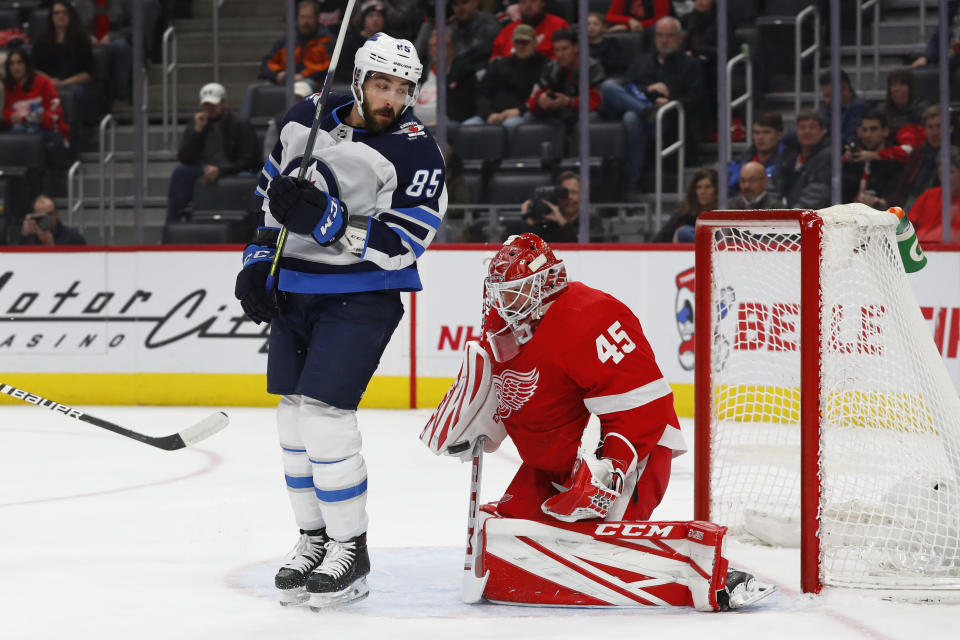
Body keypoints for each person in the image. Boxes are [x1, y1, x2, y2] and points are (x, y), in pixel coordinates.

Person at [421, 233, 775, 611]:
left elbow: (643, 404)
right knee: (508, 536)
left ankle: (711, 577)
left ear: (546, 284)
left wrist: (611, 472)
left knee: (596, 542)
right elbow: (514, 392)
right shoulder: (504, 322)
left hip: (632, 451)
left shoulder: (590, 314)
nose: (503, 301)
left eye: (516, 291)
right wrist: (478, 423)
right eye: (500, 291)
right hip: (556, 461)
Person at [234, 32, 446, 608]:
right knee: (293, 420)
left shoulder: (416, 150)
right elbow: (271, 202)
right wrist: (257, 262)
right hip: (296, 288)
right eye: (382, 85)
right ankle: (313, 538)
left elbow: (406, 243)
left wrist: (329, 221)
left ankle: (351, 551)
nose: (392, 98)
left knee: (326, 417)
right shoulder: (303, 119)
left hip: (363, 294)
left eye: (404, 88)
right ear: (357, 81)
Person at [599, 16, 701, 191]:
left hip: (669, 118)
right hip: (642, 109)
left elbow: (695, 98)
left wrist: (669, 101)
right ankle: (646, 110)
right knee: (608, 87)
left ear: (679, 38)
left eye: (669, 36)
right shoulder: (641, 61)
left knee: (631, 117)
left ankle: (632, 181)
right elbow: (628, 86)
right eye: (660, 35)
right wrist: (647, 90)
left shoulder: (690, 64)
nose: (664, 40)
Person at [167, 83, 260, 222]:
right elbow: (184, 157)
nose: (209, 109)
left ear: (224, 103)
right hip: (203, 168)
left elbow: (249, 160)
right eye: (206, 105)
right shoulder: (197, 124)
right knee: (181, 172)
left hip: (233, 168)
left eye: (214, 104)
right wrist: (197, 132)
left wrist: (221, 170)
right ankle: (172, 222)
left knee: (247, 176)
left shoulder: (240, 123)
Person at [465, 24, 547, 132]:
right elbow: (482, 92)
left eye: (525, 42)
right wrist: (488, 114)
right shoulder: (498, 64)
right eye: (518, 42)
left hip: (523, 115)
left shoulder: (543, 66)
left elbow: (540, 97)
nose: (521, 46)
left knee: (510, 124)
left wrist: (520, 110)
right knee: (468, 127)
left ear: (535, 43)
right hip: (493, 115)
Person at [31, 1, 100, 126]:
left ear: (70, 15)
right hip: (48, 82)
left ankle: (78, 131)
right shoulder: (41, 40)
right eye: (56, 13)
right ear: (51, 17)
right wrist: (50, 81)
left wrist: (63, 83)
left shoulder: (82, 39)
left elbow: (88, 73)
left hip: (75, 82)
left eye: (64, 12)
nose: (60, 16)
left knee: (75, 92)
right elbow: (34, 69)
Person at [526, 28, 604, 128]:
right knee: (529, 116)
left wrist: (569, 102)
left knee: (589, 117)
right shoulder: (551, 67)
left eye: (564, 49)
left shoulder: (592, 67)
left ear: (576, 48)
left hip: (585, 112)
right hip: (559, 114)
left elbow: (597, 101)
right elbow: (534, 98)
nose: (560, 54)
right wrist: (541, 101)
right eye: (557, 50)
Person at [2, 49, 70, 149]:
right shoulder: (7, 87)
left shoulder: (43, 82)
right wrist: (12, 116)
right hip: (20, 129)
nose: (16, 67)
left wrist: (43, 117)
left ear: (27, 64)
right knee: (18, 129)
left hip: (47, 129)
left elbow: (56, 112)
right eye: (11, 64)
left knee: (29, 131)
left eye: (19, 62)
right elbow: (5, 111)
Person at [889, 104, 953, 210]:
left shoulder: (955, 155)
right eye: (930, 127)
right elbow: (902, 187)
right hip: (909, 206)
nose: (934, 132)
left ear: (950, 129)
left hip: (938, 210)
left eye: (939, 126)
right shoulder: (917, 154)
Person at [258, 0, 333, 87]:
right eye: (302, 17)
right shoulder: (287, 39)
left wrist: (304, 75)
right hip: (287, 79)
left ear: (317, 18)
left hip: (314, 81)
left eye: (309, 17)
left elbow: (329, 66)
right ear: (297, 18)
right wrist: (277, 74)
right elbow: (269, 62)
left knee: (301, 87)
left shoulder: (326, 39)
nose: (305, 21)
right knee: (260, 89)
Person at [840, 111, 904, 209]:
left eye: (873, 129)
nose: (868, 134)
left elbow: (896, 196)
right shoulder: (854, 160)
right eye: (864, 130)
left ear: (885, 131)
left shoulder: (895, 162)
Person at [507, 171, 589, 243]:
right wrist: (528, 220)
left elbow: (581, 251)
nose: (569, 197)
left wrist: (562, 222)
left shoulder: (590, 221)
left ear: (583, 195)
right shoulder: (547, 223)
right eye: (564, 193)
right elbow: (525, 249)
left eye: (574, 192)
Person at [775, 110, 832, 210]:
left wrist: (793, 214)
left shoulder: (828, 156)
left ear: (822, 131)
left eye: (812, 127)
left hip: (816, 217)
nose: (807, 131)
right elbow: (775, 184)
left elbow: (818, 192)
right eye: (802, 127)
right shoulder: (788, 154)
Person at [726, 110, 784, 196]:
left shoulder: (788, 162)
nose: (760, 137)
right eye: (756, 133)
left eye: (766, 132)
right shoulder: (740, 161)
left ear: (779, 135)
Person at [908, 147, 960, 243]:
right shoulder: (928, 196)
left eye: (951, 172)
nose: (945, 178)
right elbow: (907, 229)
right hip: (921, 252)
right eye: (941, 174)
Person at [489, 0, 569, 61]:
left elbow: (566, 58)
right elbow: (495, 62)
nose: (528, 6)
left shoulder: (559, 26)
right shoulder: (507, 32)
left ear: (542, 2)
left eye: (533, 1)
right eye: (523, 2)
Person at [653, 167, 716, 242]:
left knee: (684, 232)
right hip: (689, 252)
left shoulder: (725, 212)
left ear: (717, 189)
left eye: (708, 187)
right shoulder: (684, 213)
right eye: (699, 187)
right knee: (684, 232)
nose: (703, 191)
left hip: (720, 250)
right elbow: (659, 240)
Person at [817, 69, 871, 145]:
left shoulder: (859, 107)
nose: (827, 100)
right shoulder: (827, 109)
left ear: (845, 88)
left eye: (829, 96)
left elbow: (848, 139)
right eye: (825, 96)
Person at [335, 3, 385, 83]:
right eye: (371, 16)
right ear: (363, 19)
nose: (375, 19)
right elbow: (341, 67)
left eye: (379, 16)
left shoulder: (388, 42)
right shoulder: (351, 40)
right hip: (351, 82)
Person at [19, 195, 86, 246]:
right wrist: (24, 236)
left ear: (57, 214)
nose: (47, 219)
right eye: (41, 216)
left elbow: (82, 261)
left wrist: (51, 246)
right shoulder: (30, 238)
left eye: (50, 214)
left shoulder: (73, 237)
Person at [587, 12, 624, 78]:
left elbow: (614, 65)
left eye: (596, 24)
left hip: (608, 77)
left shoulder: (612, 43)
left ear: (604, 27)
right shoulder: (580, 46)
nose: (591, 27)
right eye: (588, 24)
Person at [606, 0, 672, 33]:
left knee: (655, 29)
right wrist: (629, 20)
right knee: (612, 26)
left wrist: (629, 26)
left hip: (650, 24)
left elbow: (661, 19)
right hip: (628, 23)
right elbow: (610, 16)